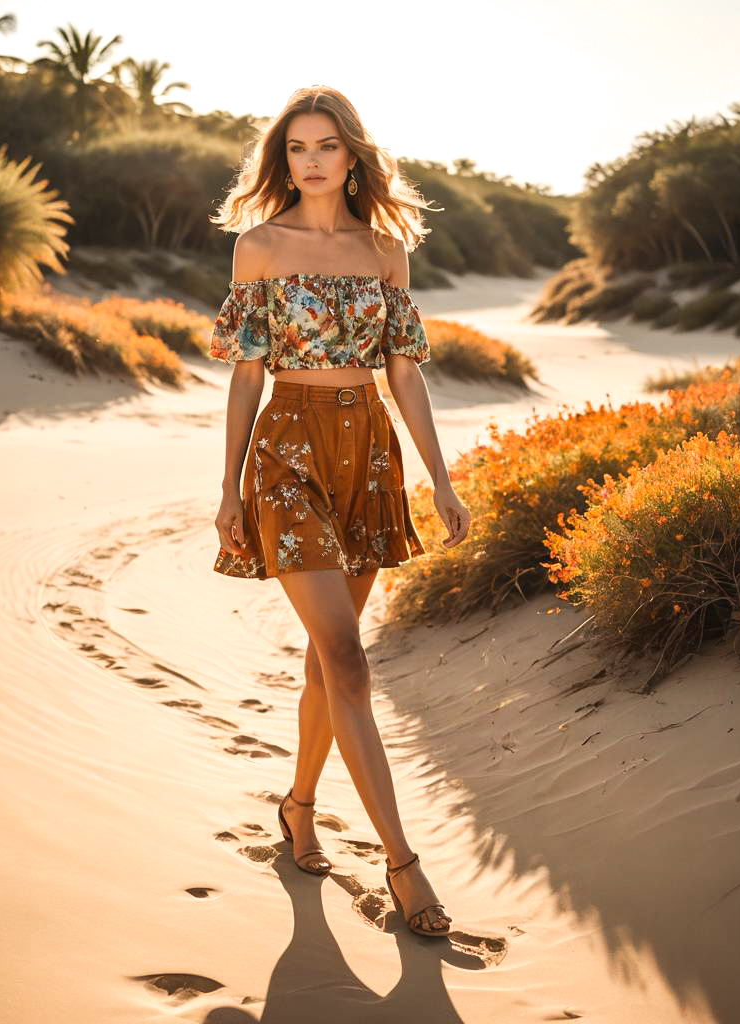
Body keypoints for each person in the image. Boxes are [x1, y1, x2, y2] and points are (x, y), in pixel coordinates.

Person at [208, 85, 471, 938]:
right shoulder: (259, 246)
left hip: (369, 450)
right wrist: (227, 489)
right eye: (296, 148)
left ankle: (298, 806)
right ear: (282, 160)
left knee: (330, 662)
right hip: (286, 446)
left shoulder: (387, 250)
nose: (311, 159)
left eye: (326, 145)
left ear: (353, 155)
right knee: (350, 661)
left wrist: (440, 475)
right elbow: (246, 372)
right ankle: (402, 863)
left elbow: (404, 371)